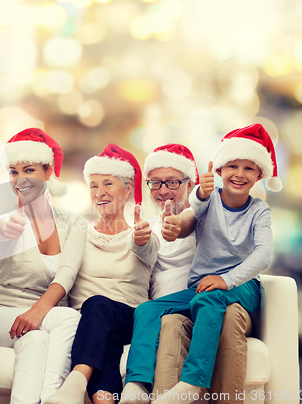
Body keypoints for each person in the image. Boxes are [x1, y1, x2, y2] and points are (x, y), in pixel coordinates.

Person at [122, 124, 281, 404]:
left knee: (208, 299)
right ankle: (136, 385)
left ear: (259, 175)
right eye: (232, 165)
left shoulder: (259, 210)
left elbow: (263, 255)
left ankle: (193, 383)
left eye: (248, 168)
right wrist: (174, 226)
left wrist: (226, 280)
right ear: (218, 170)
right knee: (147, 309)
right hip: (203, 289)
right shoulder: (207, 200)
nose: (240, 174)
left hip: (242, 287)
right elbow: (188, 219)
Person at [0, 128, 87, 404]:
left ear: (48, 172)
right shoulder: (5, 214)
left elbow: (67, 273)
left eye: (29, 170)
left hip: (37, 322)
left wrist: (37, 312)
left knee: (36, 341)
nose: (20, 179)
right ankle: (55, 398)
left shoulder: (74, 223)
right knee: (69, 317)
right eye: (13, 171)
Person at [43, 143, 159, 404]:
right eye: (94, 185)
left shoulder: (142, 234)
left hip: (128, 319)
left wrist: (140, 237)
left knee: (96, 305)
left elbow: (145, 248)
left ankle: (77, 379)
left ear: (128, 190)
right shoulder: (78, 233)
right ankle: (103, 400)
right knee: (102, 329)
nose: (99, 192)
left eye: (108, 183)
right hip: (87, 325)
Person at [141, 144, 255, 403]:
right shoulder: (145, 228)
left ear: (190, 185)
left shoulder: (210, 214)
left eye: (172, 182)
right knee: (169, 322)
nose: (163, 190)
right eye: (155, 183)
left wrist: (178, 224)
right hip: (178, 309)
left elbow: (188, 221)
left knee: (229, 312)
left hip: (223, 302)